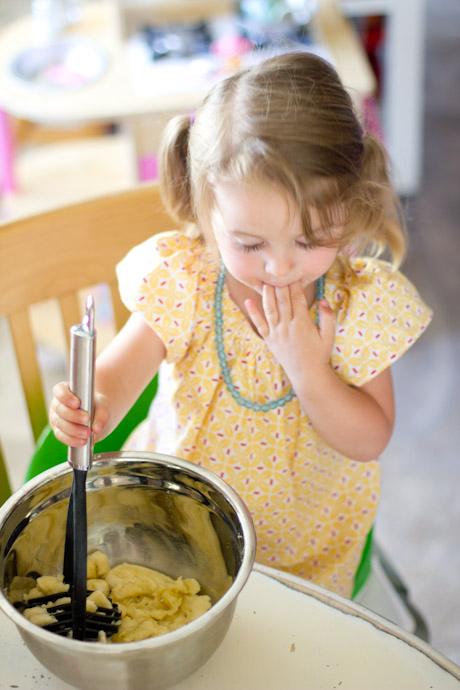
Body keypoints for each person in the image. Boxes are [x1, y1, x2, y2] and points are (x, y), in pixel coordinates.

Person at [50, 52, 432, 597]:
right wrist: (93, 406)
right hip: (175, 531)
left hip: (305, 559)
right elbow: (118, 372)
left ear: (347, 210)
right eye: (250, 244)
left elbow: (369, 439)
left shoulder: (355, 304)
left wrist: (309, 370)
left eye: (309, 240)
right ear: (208, 216)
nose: (279, 267)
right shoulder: (187, 281)